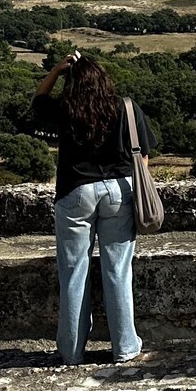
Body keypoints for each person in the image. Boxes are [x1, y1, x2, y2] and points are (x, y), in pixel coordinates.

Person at [28, 53, 154, 366]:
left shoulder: (66, 109)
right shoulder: (126, 107)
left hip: (76, 191)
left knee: (73, 272)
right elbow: (145, 154)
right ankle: (125, 346)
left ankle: (71, 351)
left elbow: (38, 100)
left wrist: (57, 70)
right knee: (118, 271)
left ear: (72, 83)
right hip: (119, 191)